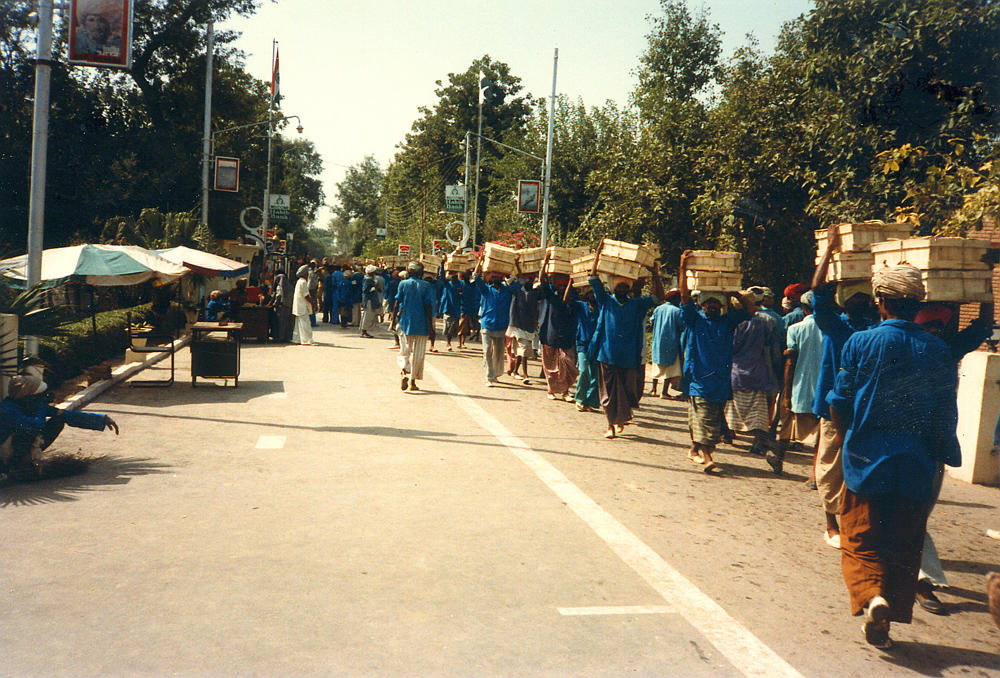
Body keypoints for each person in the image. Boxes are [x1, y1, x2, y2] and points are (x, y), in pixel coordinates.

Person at [828, 263, 959, 650]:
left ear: (880, 301)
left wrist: (845, 435)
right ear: (917, 303)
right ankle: (885, 622)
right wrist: (940, 453)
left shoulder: (861, 342)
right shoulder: (938, 350)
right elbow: (944, 412)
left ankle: (873, 598)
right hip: (916, 464)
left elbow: (839, 400)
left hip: (867, 461)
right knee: (903, 544)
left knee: (859, 538)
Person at [911, 301, 994, 615]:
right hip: (897, 444)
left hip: (933, 445)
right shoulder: (896, 346)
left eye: (938, 327)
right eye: (928, 326)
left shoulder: (945, 350)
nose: (934, 332)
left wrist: (986, 285)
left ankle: (913, 579)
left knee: (916, 513)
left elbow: (982, 328)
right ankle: (920, 580)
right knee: (908, 513)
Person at [811, 227, 878, 548]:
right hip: (834, 407)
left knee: (858, 468)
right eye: (860, 298)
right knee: (830, 466)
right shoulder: (837, 326)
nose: (867, 303)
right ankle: (830, 523)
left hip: (866, 408)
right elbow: (817, 292)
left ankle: (853, 521)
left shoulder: (877, 328)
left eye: (870, 298)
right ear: (847, 303)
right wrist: (830, 249)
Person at [678, 249, 753, 472]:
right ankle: (708, 457)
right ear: (701, 304)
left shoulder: (728, 321)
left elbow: (750, 309)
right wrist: (682, 268)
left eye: (715, 303)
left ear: (721, 305)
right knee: (704, 418)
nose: (711, 306)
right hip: (698, 379)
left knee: (708, 418)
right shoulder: (695, 321)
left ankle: (694, 448)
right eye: (707, 303)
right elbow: (683, 298)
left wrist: (732, 291)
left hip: (719, 382)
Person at [589, 242, 664, 439]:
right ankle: (611, 425)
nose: (622, 288)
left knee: (627, 391)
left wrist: (654, 273)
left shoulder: (637, 305)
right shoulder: (606, 300)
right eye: (619, 286)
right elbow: (593, 278)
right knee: (608, 393)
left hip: (629, 357)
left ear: (629, 287)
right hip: (607, 354)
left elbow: (659, 297)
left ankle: (620, 419)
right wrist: (598, 254)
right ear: (614, 287)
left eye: (625, 286)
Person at [0, 374, 119, 480]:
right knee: (26, 432)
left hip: (16, 444)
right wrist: (41, 408)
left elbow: (66, 415)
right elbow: (34, 426)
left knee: (58, 420)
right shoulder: (7, 409)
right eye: (38, 395)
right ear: (27, 395)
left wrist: (102, 419)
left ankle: (24, 462)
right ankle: (12, 467)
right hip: (4, 450)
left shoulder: (32, 405)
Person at [768, 290, 823, 475]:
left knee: (787, 425)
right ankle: (815, 473)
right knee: (820, 435)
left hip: (799, 386)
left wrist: (787, 391)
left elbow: (790, 362)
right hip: (823, 388)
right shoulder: (832, 328)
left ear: (804, 308)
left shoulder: (796, 329)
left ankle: (779, 459)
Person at [725, 290, 777, 458]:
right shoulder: (763, 323)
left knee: (732, 407)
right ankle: (759, 441)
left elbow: (731, 347)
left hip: (736, 371)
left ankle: (729, 434)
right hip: (757, 371)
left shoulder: (734, 324)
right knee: (758, 409)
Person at [537, 253, 579, 401]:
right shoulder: (551, 296)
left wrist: (573, 278)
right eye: (560, 285)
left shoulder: (574, 299)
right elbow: (542, 279)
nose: (562, 288)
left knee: (567, 366)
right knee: (550, 367)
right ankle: (551, 390)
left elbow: (568, 298)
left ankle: (566, 391)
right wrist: (546, 262)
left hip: (567, 337)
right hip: (550, 336)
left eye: (565, 285)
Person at [471, 259, 517, 387]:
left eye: (498, 277)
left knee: (498, 353)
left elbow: (518, 285)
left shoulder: (508, 290)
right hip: (487, 324)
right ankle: (489, 377)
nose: (495, 279)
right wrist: (480, 261)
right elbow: (475, 277)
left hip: (502, 325)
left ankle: (495, 374)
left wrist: (512, 273)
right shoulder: (486, 289)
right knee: (486, 351)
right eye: (494, 277)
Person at [395, 262, 436, 392]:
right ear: (421, 273)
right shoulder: (426, 286)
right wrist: (431, 325)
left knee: (404, 351)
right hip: (422, 324)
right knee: (418, 355)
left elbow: (397, 302)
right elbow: (428, 306)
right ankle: (412, 382)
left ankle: (404, 371)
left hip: (406, 323)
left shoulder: (403, 284)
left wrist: (392, 319)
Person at [649, 290, 683, 399]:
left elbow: (652, 321)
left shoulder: (658, 309)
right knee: (669, 369)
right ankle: (664, 392)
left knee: (656, 367)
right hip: (672, 343)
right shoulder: (678, 311)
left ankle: (653, 389)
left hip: (658, 341)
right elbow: (682, 326)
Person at [571, 286, 601, 412]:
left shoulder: (602, 308)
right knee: (583, 371)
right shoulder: (581, 306)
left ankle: (590, 401)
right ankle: (580, 398)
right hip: (582, 344)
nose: (593, 296)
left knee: (595, 375)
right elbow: (567, 300)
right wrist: (571, 283)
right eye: (590, 294)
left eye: (595, 294)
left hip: (597, 345)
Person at [438, 263, 464, 351]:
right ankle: (448, 343)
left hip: (456, 309)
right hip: (448, 309)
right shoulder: (447, 284)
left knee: (454, 328)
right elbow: (441, 277)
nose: (454, 279)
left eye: (455, 277)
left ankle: (450, 341)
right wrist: (442, 265)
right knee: (448, 327)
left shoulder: (460, 285)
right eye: (452, 277)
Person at [290, 265, 317, 346]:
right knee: (305, 323)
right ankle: (307, 340)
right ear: (305, 274)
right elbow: (306, 296)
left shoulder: (299, 281)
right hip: (302, 306)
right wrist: (313, 303)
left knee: (298, 324)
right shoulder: (303, 282)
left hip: (298, 306)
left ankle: (297, 339)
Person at [359, 265, 382, 338]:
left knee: (369, 316)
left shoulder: (370, 279)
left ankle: (365, 330)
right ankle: (364, 331)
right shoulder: (368, 279)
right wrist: (374, 287)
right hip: (369, 300)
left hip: (371, 300)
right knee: (367, 316)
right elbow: (365, 290)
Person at [307, 260, 321, 327]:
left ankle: (313, 321)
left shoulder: (313, 271)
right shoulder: (310, 271)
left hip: (313, 288)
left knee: (313, 304)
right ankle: (312, 321)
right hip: (310, 288)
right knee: (312, 304)